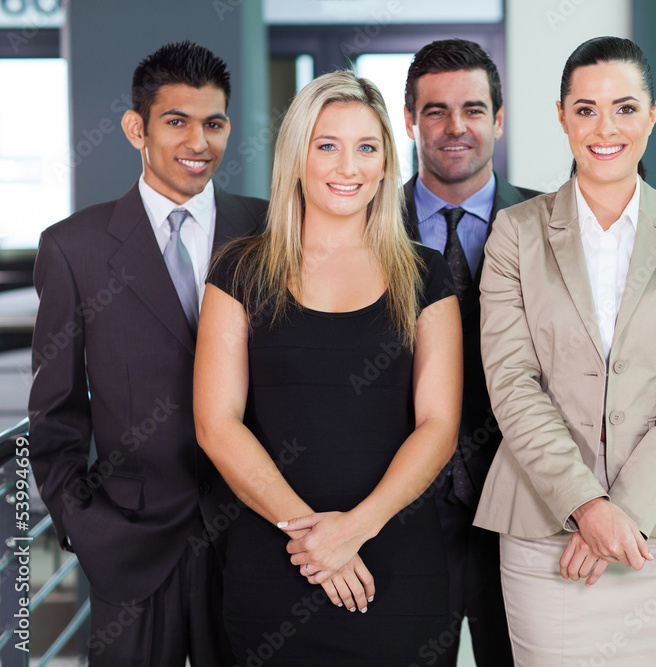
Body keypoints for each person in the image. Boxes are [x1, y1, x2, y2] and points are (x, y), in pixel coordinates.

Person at [474, 36, 656, 665]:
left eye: (624, 107)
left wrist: (625, 511)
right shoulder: (515, 231)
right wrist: (587, 506)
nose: (604, 127)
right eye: (585, 109)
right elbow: (511, 381)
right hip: (545, 527)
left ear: (652, 115)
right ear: (561, 116)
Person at [193, 70, 462, 666]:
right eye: (327, 146)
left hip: (397, 565)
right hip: (275, 561)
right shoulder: (239, 271)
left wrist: (356, 528)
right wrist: (315, 538)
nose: (349, 167)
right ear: (296, 157)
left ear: (388, 163)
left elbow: (439, 425)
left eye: (367, 147)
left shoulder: (426, 274)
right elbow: (216, 424)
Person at [28, 41, 267, 665]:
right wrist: (82, 523)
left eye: (214, 123)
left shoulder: (270, 232)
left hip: (253, 536)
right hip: (128, 547)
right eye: (177, 121)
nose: (199, 141)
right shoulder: (73, 249)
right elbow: (54, 413)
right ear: (137, 128)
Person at [401, 37, 540, 666]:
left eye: (474, 110)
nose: (456, 128)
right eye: (435, 111)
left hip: (523, 505)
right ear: (410, 120)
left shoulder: (550, 225)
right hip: (397, 510)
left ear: (499, 119)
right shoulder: (365, 224)